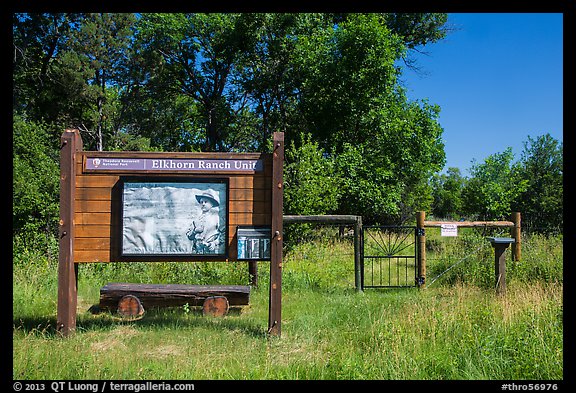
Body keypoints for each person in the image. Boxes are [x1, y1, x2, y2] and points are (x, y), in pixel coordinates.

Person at [186, 190, 222, 254]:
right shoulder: (196, 219)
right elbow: (189, 236)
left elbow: (223, 235)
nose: (203, 204)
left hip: (210, 251)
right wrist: (195, 231)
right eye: (201, 202)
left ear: (211, 204)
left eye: (206, 202)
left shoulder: (217, 218)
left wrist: (214, 243)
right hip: (197, 251)